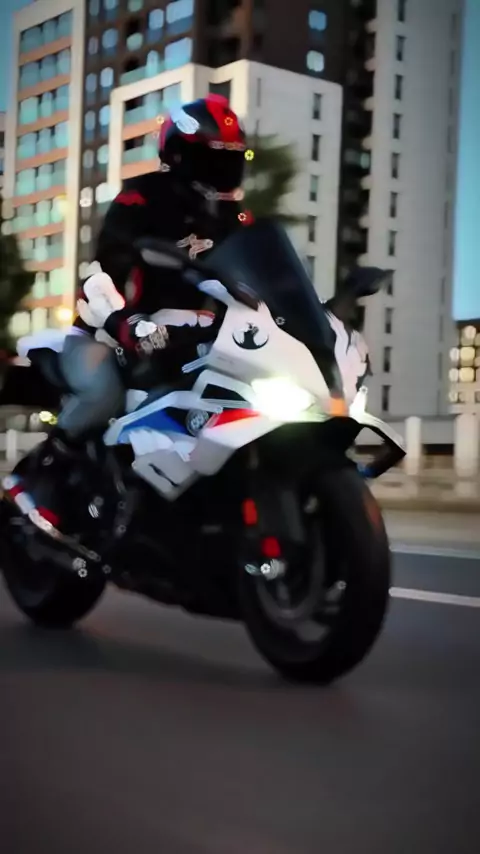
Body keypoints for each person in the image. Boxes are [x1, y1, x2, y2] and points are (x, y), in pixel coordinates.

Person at [8, 95, 251, 532]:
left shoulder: (235, 217)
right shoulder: (141, 197)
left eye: (230, 159)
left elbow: (254, 280)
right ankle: (36, 481)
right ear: (179, 155)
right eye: (212, 159)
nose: (222, 170)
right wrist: (126, 322)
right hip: (107, 334)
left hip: (189, 344)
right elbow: (101, 273)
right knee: (102, 392)